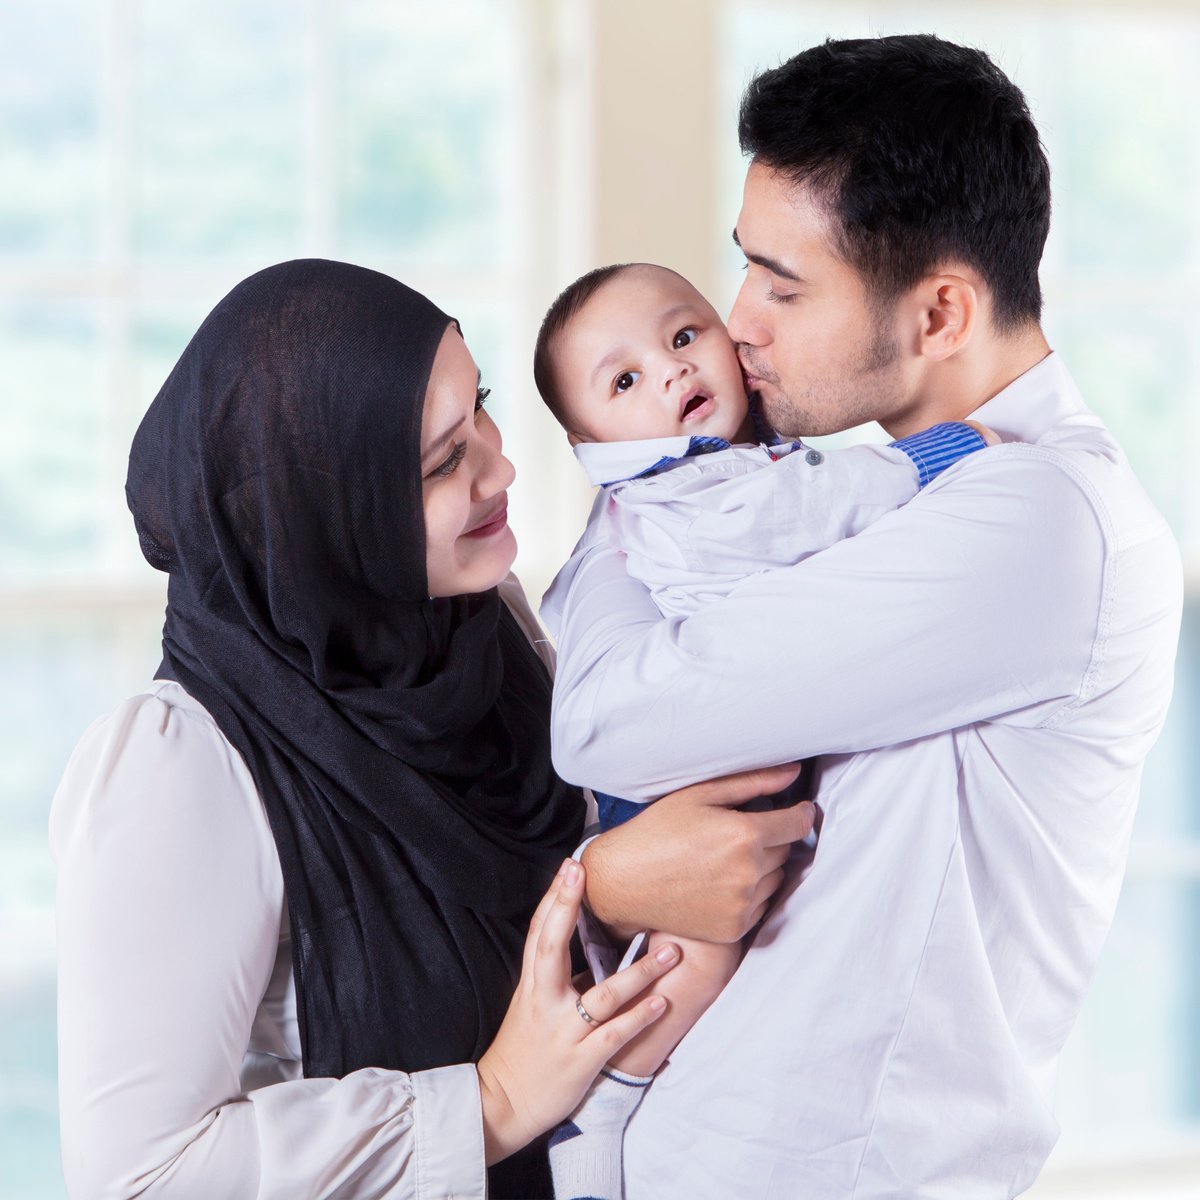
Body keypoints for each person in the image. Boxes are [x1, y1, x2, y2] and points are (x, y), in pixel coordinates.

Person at [548, 35, 1183, 1198]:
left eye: (785, 287)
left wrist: (628, 479)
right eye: (743, 269)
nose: (738, 323)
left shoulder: (1038, 518)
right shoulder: (845, 496)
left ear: (941, 314)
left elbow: (603, 719)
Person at [50, 258, 816, 1200]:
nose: (503, 464)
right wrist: (493, 1099)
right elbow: (138, 1176)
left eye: (481, 406)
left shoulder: (482, 628)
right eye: (444, 461)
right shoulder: (177, 770)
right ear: (329, 522)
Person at [529, 259, 990, 1192]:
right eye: (625, 382)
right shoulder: (679, 494)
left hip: (725, 751)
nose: (670, 372)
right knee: (688, 960)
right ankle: (601, 1108)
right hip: (677, 781)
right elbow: (795, 514)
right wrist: (925, 459)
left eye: (684, 336)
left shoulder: (723, 460)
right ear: (591, 447)